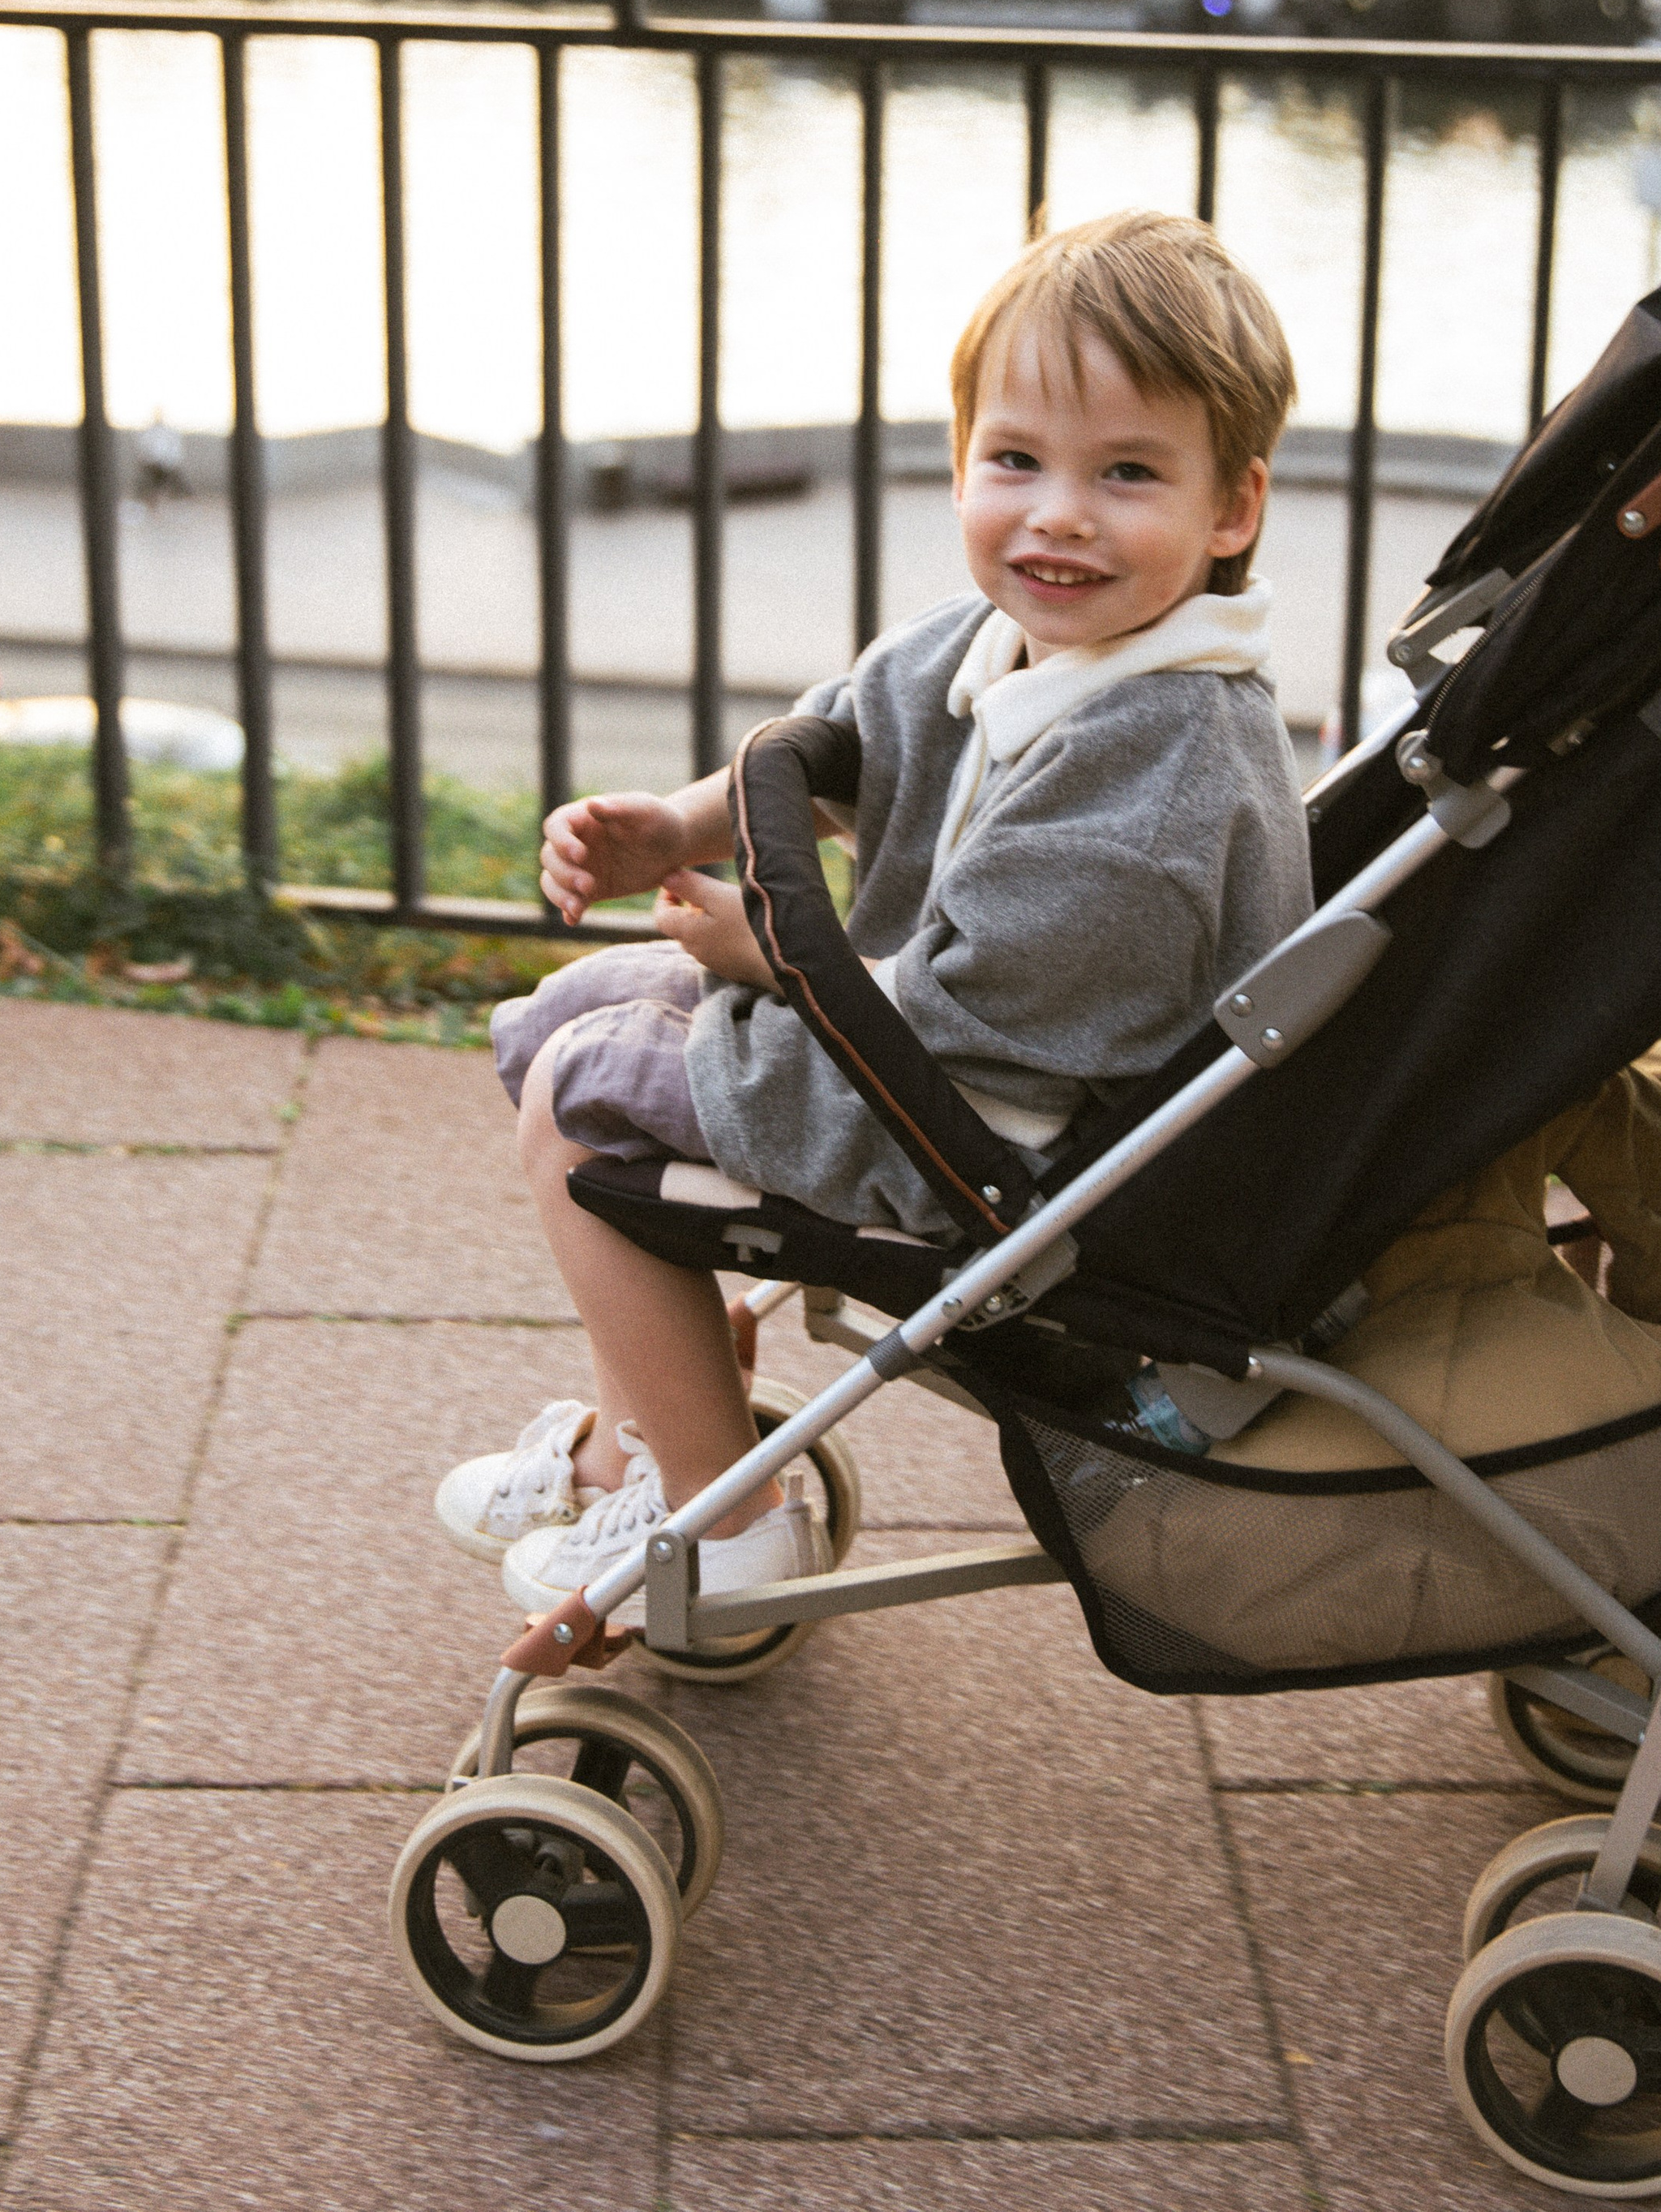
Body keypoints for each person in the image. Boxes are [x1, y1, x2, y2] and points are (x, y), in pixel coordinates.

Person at [436, 208, 1314, 1626]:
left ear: (1232, 508)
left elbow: (995, 1004)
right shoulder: (998, 642)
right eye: (1014, 461)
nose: (1058, 514)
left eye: (1128, 474)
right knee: (558, 1016)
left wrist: (765, 956)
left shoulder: (1167, 761)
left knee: (583, 1099)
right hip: (918, 1059)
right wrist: (677, 825)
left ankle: (722, 1518)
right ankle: (644, 1432)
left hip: (1021, 1132)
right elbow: (839, 748)